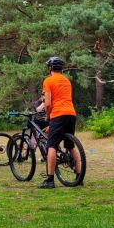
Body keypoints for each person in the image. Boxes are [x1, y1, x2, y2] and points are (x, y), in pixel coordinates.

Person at [39, 57, 81, 189]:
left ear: (50, 68)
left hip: (58, 114)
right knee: (70, 145)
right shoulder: (67, 81)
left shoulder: (48, 81)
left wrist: (48, 117)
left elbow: (47, 104)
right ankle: (79, 175)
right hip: (71, 113)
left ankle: (50, 180)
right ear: (61, 68)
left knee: (51, 145)